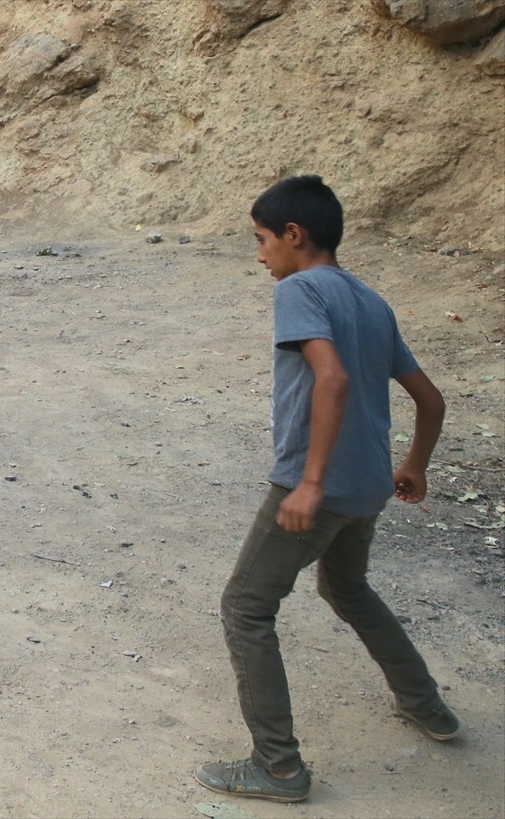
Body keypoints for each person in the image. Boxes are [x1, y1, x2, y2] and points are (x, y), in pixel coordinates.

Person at [194, 175, 453, 803]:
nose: (259, 256)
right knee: (348, 588)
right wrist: (414, 463)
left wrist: (308, 484)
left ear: (293, 235)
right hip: (367, 484)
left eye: (260, 240)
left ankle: (278, 767)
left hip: (319, 484)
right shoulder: (370, 300)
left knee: (245, 608)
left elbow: (330, 379)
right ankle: (429, 709)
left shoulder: (300, 289)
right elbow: (430, 399)